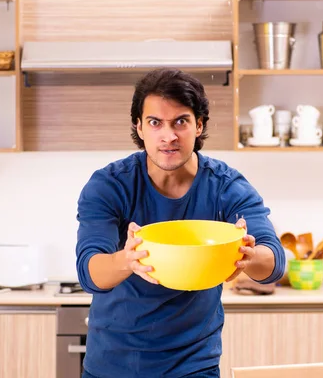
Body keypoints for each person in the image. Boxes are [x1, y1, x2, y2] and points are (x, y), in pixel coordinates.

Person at [75, 67, 285, 378]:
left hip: (193, 365)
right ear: (139, 126)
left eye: (181, 122)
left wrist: (249, 256)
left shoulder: (226, 186)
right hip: (112, 364)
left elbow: (275, 263)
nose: (168, 135)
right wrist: (127, 260)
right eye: (155, 122)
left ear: (199, 125)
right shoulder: (110, 185)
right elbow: (89, 271)